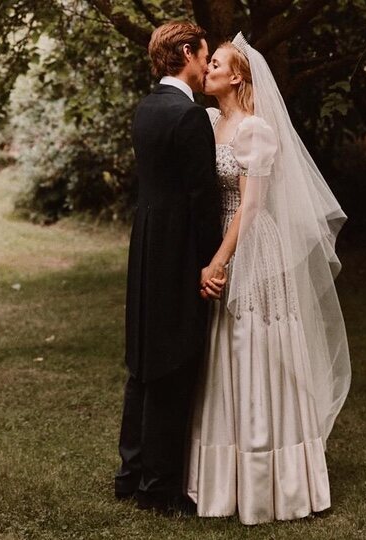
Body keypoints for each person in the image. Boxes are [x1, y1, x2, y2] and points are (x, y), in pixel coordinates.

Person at [186, 33, 351, 525]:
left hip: (252, 244)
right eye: (208, 62)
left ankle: (273, 482)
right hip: (222, 237)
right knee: (223, 352)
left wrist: (219, 262)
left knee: (254, 348)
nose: (207, 69)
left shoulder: (255, 129)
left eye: (215, 63)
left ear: (236, 76)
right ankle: (222, 479)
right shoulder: (212, 121)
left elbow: (253, 205)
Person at [116, 21, 225, 514]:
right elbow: (203, 200)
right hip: (180, 247)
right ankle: (158, 488)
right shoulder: (190, 116)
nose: (207, 66)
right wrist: (210, 261)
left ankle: (131, 472)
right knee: (173, 361)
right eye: (204, 56)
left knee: (142, 358)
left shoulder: (146, 108)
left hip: (146, 245)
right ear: (187, 52)